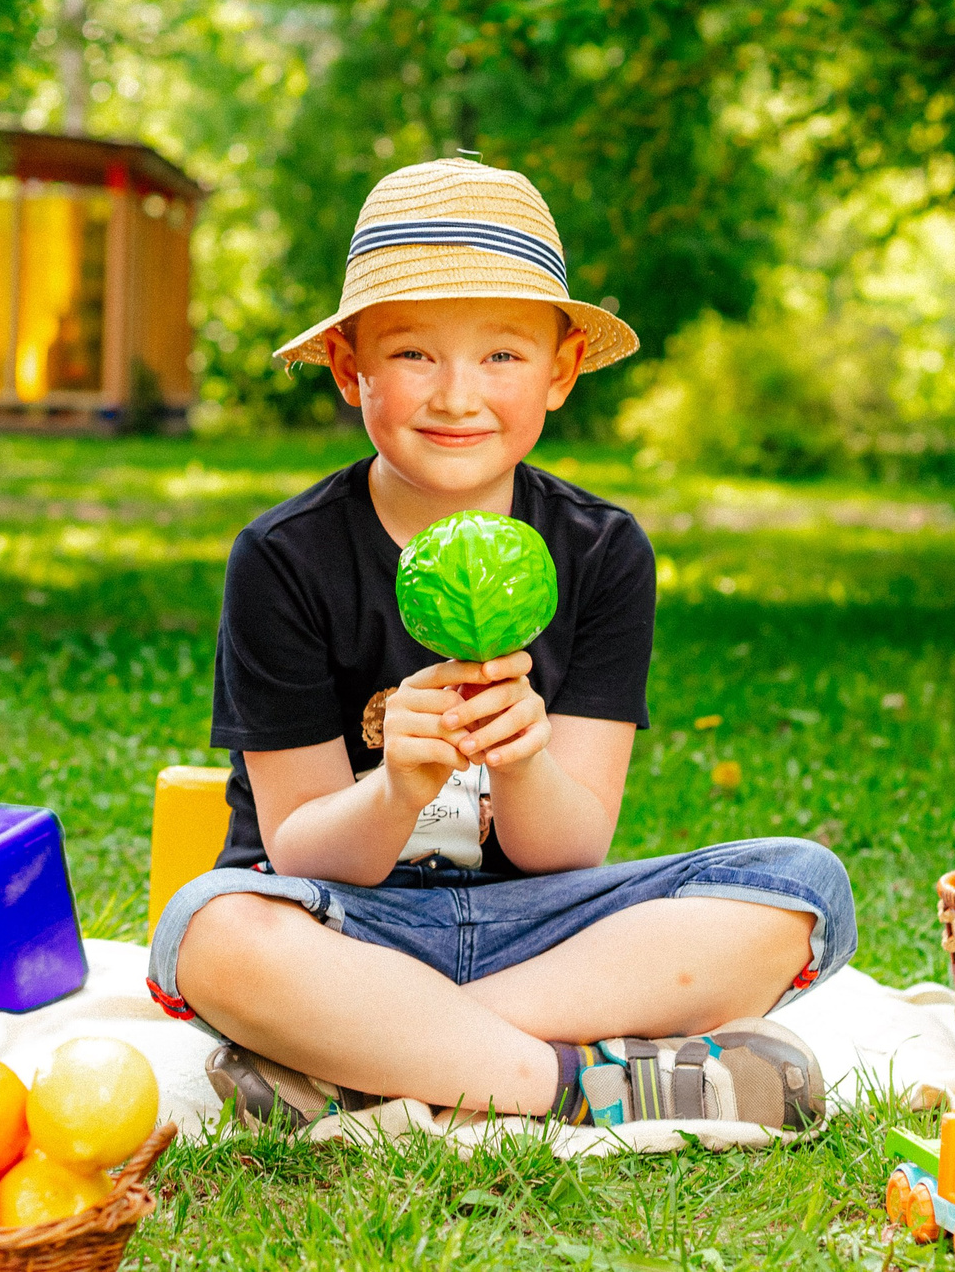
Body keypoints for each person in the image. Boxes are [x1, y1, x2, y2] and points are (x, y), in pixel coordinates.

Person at [146, 158, 857, 1129]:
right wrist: (396, 785)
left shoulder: (602, 553)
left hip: (545, 934)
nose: (456, 395)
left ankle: (362, 1060)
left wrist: (522, 760)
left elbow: (571, 846)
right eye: (412, 353)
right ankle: (575, 1083)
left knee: (802, 888)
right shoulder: (284, 558)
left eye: (502, 356)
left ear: (560, 371)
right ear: (350, 368)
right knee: (209, 929)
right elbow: (300, 845)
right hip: (343, 925)